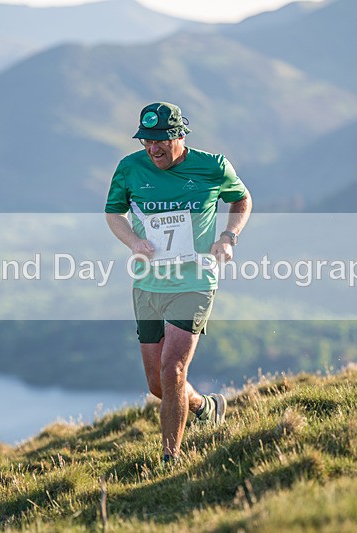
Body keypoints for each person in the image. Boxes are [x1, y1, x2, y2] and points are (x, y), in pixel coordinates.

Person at [105, 102, 252, 463]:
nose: (152, 148)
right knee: (158, 385)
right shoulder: (129, 168)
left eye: (160, 140)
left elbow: (242, 199)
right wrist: (134, 242)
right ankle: (205, 407)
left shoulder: (212, 166)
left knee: (173, 370)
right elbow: (113, 213)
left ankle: (170, 457)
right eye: (146, 141)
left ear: (179, 136)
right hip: (148, 284)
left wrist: (228, 237)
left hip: (194, 281)